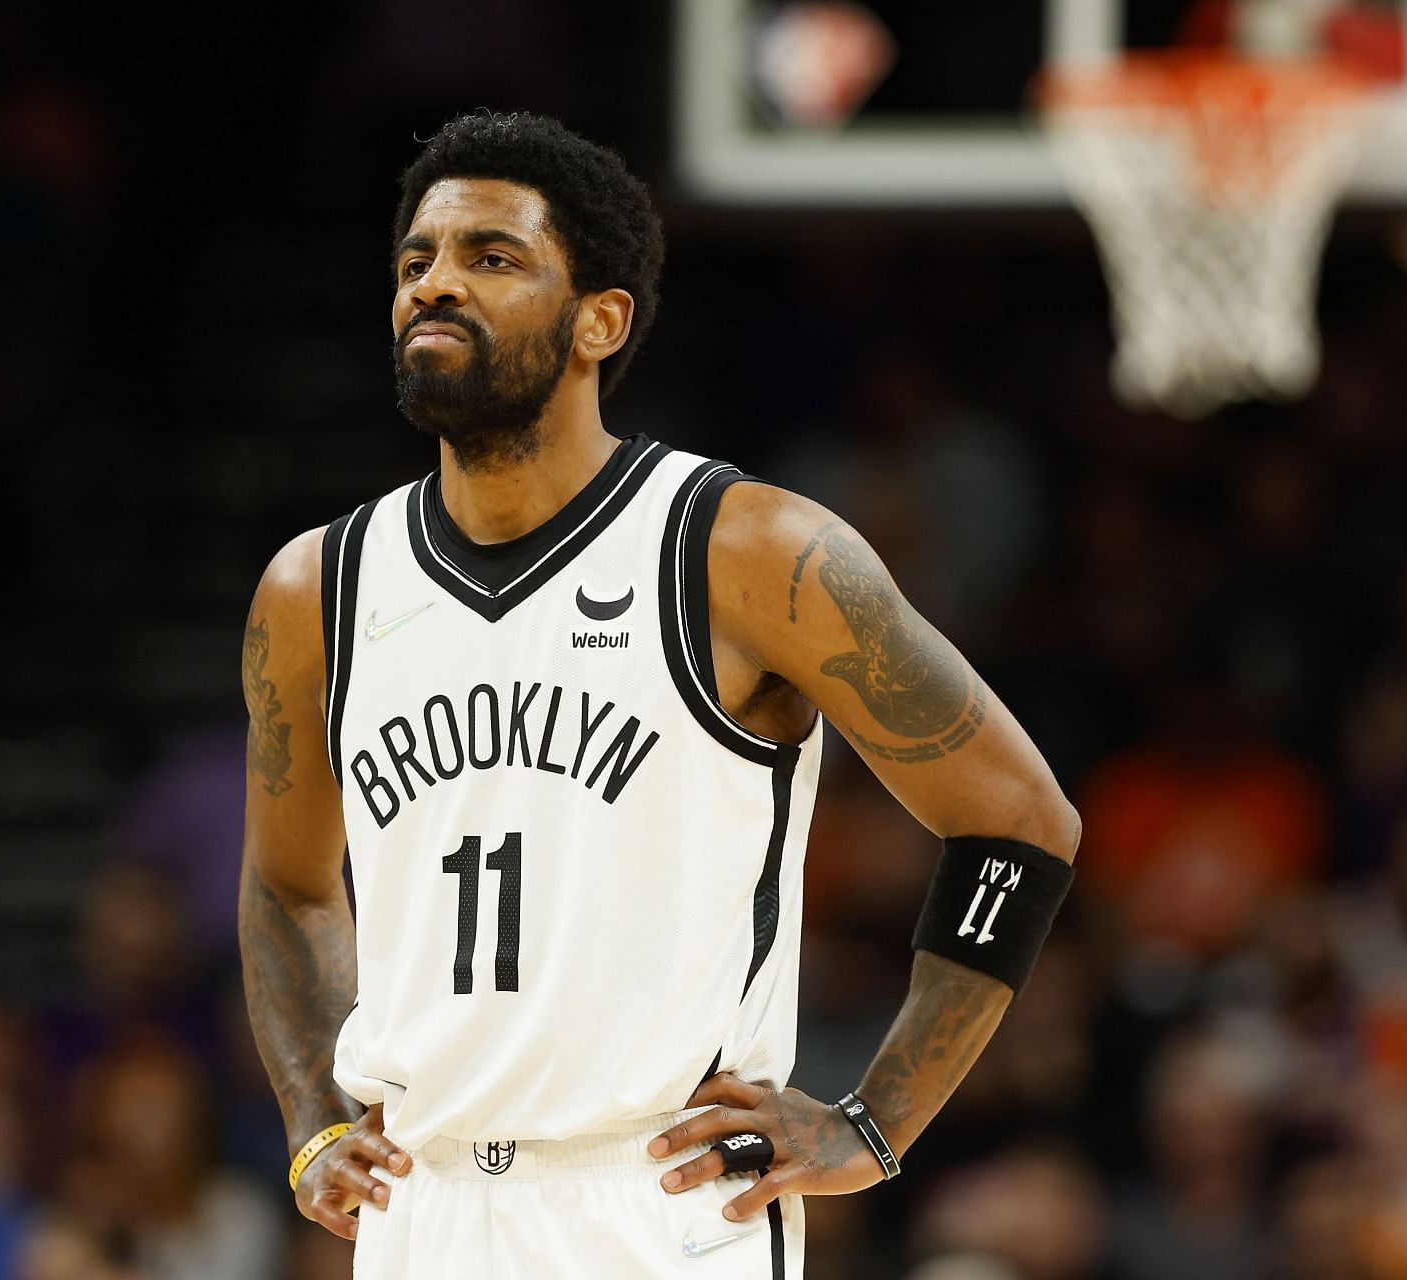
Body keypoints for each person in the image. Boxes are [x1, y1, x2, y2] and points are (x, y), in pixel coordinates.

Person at [237, 111, 1080, 1279]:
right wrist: (313, 1116)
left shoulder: (748, 551)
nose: (435, 284)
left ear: (602, 319)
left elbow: (1020, 820)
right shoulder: (315, 590)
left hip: (658, 1201)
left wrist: (877, 1121)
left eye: (491, 257)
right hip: (422, 1207)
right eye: (416, 261)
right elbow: (288, 884)